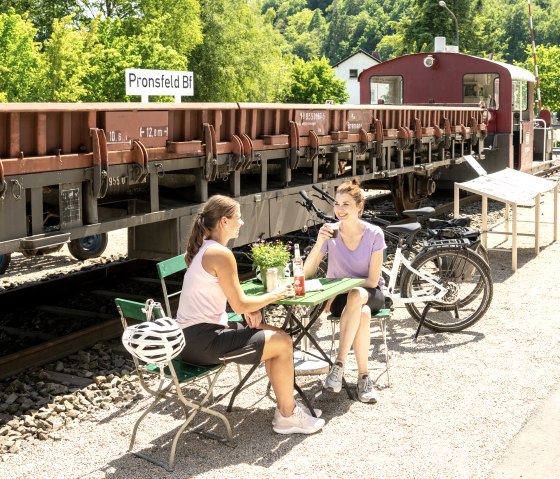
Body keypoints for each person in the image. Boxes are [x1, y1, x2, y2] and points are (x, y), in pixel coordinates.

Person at [176, 194, 325, 435]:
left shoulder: (205, 249)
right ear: (224, 221)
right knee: (283, 342)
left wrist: (251, 307)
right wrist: (275, 294)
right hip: (202, 341)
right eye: (238, 217)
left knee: (275, 334)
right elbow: (239, 305)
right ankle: (287, 416)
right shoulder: (220, 254)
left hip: (193, 337)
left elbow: (232, 298)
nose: (242, 222)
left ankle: (287, 407)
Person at [303, 178, 386, 403]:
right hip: (345, 300)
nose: (339, 209)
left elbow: (371, 279)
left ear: (359, 206)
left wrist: (338, 291)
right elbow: (307, 272)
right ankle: (364, 378)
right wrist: (320, 242)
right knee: (363, 313)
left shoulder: (374, 234)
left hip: (371, 293)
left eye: (346, 204)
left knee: (357, 295)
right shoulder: (331, 233)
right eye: (337, 204)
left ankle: (338, 364)